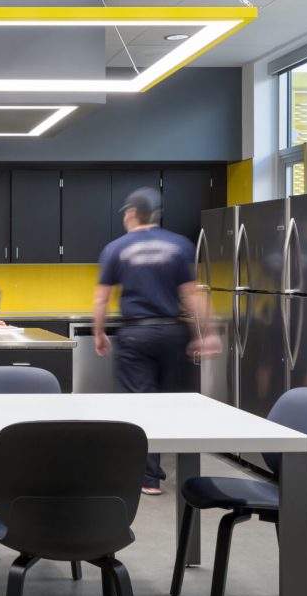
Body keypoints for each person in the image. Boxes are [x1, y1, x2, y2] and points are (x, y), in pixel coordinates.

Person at [93, 187, 218, 495]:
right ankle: (185, 470)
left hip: (136, 333)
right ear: (156, 215)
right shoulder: (179, 245)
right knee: (169, 403)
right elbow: (192, 295)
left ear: (132, 213)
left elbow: (101, 298)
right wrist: (207, 333)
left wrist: (99, 332)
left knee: (139, 404)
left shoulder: (116, 248)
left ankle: (148, 477)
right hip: (171, 332)